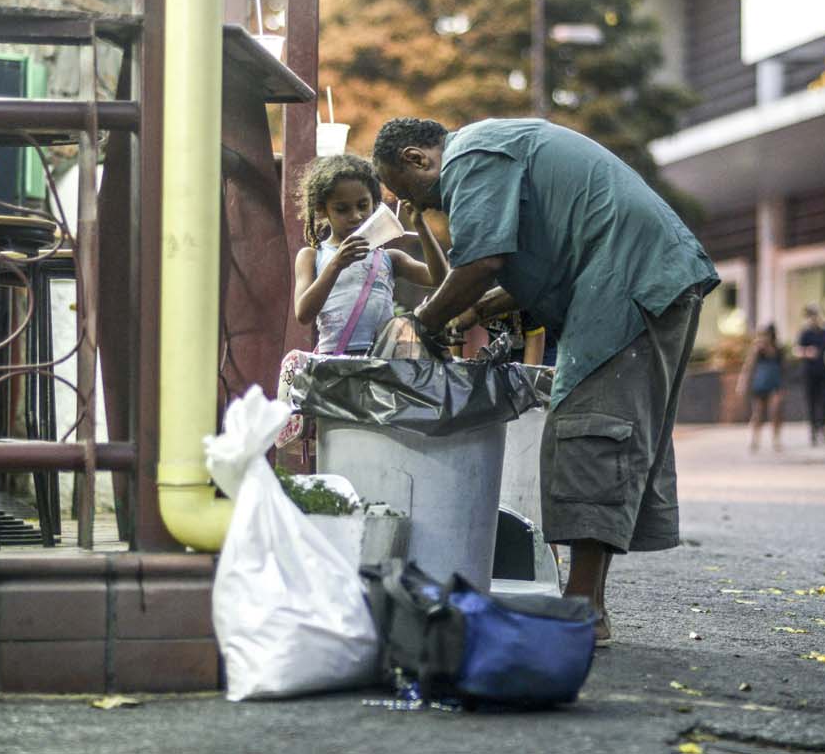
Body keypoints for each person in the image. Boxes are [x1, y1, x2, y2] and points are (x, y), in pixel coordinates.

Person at [372, 116, 718, 645]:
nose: (424, 209)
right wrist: (475, 311)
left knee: (591, 432)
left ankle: (583, 610)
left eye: (410, 193)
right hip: (638, 273)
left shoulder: (471, 156)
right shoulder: (499, 144)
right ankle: (586, 605)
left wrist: (423, 320)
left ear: (419, 158)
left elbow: (484, 259)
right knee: (598, 432)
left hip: (629, 277)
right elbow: (535, 259)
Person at [292, 154, 447, 354]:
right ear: (322, 210)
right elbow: (303, 314)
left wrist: (420, 224)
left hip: (382, 358)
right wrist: (336, 265)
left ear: (375, 203)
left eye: (363, 206)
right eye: (342, 209)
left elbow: (439, 278)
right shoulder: (312, 256)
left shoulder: (390, 258)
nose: (356, 216)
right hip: (335, 362)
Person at [737, 325, 785, 453]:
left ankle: (776, 440)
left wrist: (783, 387)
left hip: (775, 383)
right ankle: (754, 439)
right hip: (760, 384)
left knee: (776, 411)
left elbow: (782, 368)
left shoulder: (778, 349)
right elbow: (748, 367)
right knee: (758, 413)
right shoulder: (757, 350)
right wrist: (743, 383)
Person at [796, 305, 825, 445]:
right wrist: (807, 352)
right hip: (809, 372)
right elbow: (798, 350)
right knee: (811, 401)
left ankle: (824, 427)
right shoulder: (805, 334)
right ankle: (813, 429)